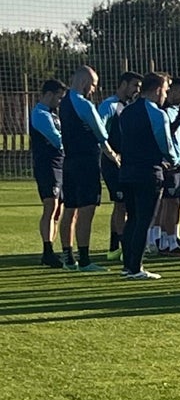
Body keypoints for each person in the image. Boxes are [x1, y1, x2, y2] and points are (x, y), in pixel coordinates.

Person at [118, 72, 180, 280]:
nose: (165, 95)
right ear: (156, 90)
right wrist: (174, 162)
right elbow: (164, 142)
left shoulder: (127, 112)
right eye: (164, 91)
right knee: (144, 220)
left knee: (132, 219)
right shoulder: (156, 113)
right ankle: (136, 268)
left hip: (127, 171)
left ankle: (127, 265)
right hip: (148, 172)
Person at [59, 66, 121, 272]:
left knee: (70, 209)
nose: (94, 90)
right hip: (86, 163)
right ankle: (84, 260)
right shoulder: (84, 104)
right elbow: (102, 135)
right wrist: (114, 158)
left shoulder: (64, 102)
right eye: (93, 85)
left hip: (69, 162)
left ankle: (68, 256)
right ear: (85, 83)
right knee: (87, 209)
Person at [98, 72, 142, 261]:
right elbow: (98, 130)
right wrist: (112, 154)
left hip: (127, 163)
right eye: (134, 85)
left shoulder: (129, 107)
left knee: (122, 205)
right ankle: (122, 247)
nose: (137, 90)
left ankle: (115, 247)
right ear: (123, 84)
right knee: (121, 203)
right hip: (113, 163)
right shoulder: (110, 105)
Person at [29, 78, 68, 268]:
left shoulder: (54, 113)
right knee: (50, 206)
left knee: (58, 208)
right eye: (59, 98)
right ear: (50, 94)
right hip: (47, 165)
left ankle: (50, 248)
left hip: (60, 163)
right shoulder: (40, 114)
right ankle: (47, 250)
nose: (60, 101)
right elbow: (55, 138)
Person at [157, 76, 180, 257]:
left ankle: (169, 240)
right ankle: (165, 243)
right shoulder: (166, 111)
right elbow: (168, 133)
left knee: (174, 202)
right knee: (168, 203)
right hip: (169, 163)